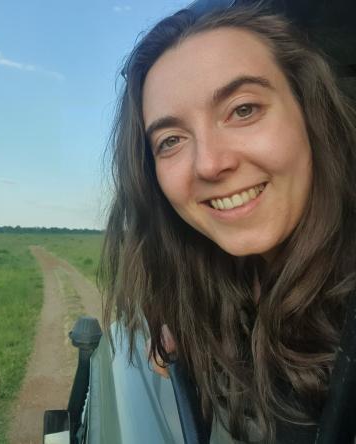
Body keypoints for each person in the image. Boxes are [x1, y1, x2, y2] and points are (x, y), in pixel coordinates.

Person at [99, 2, 356, 442]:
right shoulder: (207, 289)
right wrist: (183, 317)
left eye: (243, 110)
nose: (209, 164)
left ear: (312, 115)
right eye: (171, 140)